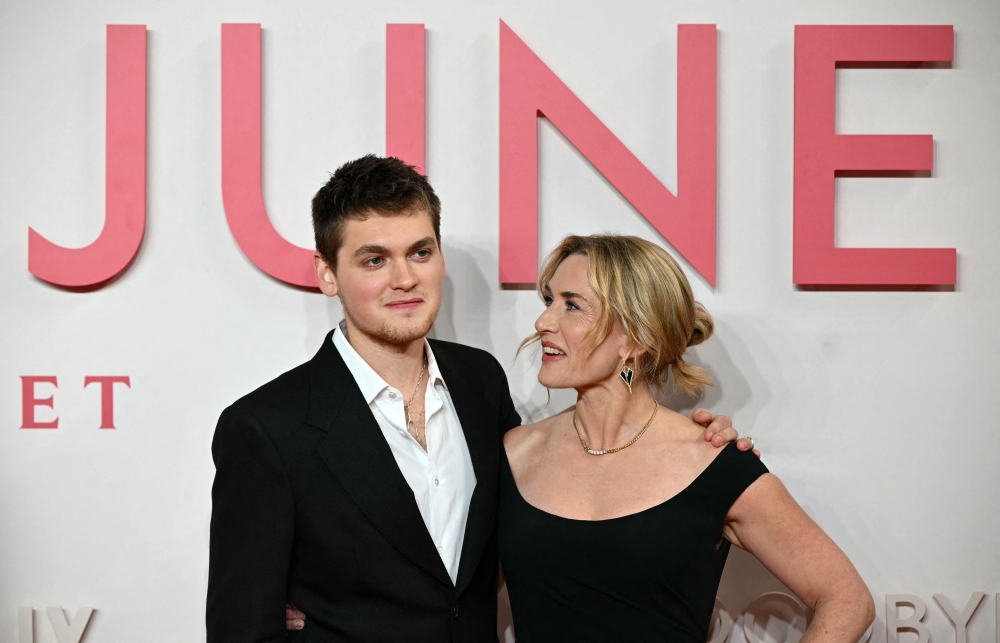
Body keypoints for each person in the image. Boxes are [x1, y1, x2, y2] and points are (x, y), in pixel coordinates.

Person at [206, 156, 750, 643]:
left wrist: (686, 448)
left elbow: (550, 507)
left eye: (420, 252)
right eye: (374, 260)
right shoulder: (265, 429)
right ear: (328, 274)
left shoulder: (480, 383)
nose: (405, 279)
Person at [498, 234, 875, 642]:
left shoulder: (711, 461)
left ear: (635, 337)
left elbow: (847, 599)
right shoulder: (514, 453)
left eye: (571, 305)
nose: (543, 322)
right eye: (549, 300)